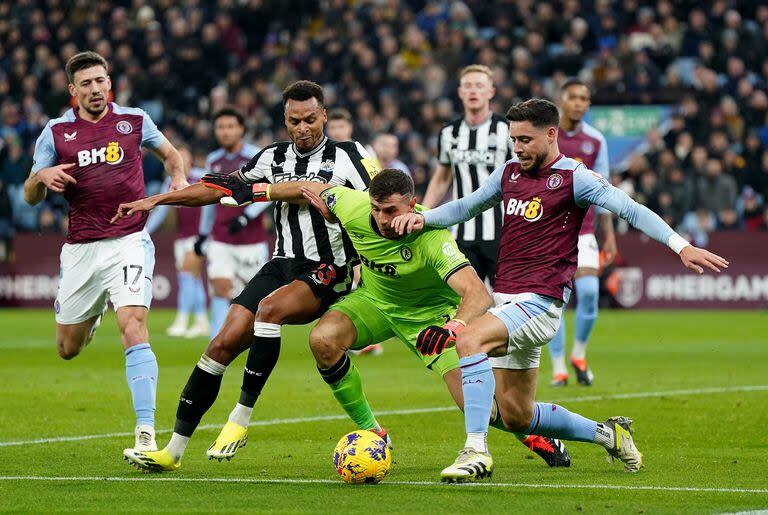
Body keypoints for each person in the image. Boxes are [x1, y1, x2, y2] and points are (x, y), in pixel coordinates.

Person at [393, 98, 728, 482]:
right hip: (506, 301)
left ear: (551, 134)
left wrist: (680, 246)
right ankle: (609, 435)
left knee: (467, 340)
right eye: (513, 140)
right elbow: (465, 207)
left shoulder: (575, 178)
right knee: (517, 414)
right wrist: (421, 219)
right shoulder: (508, 174)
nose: (517, 148)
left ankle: (474, 451)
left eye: (525, 140)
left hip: (541, 302)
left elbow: (630, 209)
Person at [202, 168, 572, 468]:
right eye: (376, 209)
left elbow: (477, 293)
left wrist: (454, 326)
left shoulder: (431, 233)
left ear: (413, 205)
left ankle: (530, 431)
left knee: (490, 411)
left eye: (391, 211)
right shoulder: (351, 204)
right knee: (323, 340)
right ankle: (373, 432)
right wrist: (255, 190)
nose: (381, 219)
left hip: (431, 320)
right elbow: (309, 186)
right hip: (376, 303)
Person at [113, 80, 377, 472]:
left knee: (268, 310)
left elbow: (379, 204)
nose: (303, 128)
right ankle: (173, 451)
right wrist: (157, 200)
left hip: (329, 267)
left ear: (324, 116)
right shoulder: (271, 156)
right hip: (282, 263)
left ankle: (240, 419)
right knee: (222, 341)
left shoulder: (352, 155)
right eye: (294, 120)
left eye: (310, 119)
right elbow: (220, 189)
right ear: (284, 120)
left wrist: (364, 258)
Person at [22, 51, 187, 453]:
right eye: (87, 84)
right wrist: (41, 175)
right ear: (72, 90)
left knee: (133, 324)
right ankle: (91, 316)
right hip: (81, 249)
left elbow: (171, 156)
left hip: (129, 240)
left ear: (109, 82)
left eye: (101, 80)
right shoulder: (57, 132)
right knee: (67, 349)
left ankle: (146, 432)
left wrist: (178, 180)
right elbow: (29, 196)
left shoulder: (134, 120)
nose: (96, 89)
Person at [548, 78, 618, 387]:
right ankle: (558, 367)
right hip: (549, 232)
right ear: (562, 100)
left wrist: (610, 235)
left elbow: (605, 190)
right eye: (573, 97)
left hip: (584, 230)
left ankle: (579, 354)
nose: (579, 103)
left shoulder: (595, 141)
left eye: (584, 98)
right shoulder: (549, 136)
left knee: (589, 294)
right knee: (554, 302)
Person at [422, 64, 513, 286]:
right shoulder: (449, 132)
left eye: (479, 86)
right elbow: (442, 177)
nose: (473, 91)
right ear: (460, 92)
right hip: (462, 231)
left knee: (506, 299)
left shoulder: (508, 129)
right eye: (468, 86)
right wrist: (423, 213)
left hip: (502, 230)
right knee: (463, 301)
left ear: (491, 92)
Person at [197, 107, 270, 338]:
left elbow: (270, 193)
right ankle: (217, 339)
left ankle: (256, 339)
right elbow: (208, 198)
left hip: (252, 239)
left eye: (230, 126)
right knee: (220, 287)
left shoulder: (256, 156)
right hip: (220, 237)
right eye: (220, 127)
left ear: (241, 129)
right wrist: (202, 233)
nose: (225, 132)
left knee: (258, 296)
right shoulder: (213, 160)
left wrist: (247, 215)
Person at [145, 145, 209, 338]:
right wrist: (145, 231)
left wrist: (206, 235)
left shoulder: (202, 177)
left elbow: (212, 207)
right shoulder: (171, 183)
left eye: (185, 159)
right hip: (182, 237)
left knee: (187, 275)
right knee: (193, 280)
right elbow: (160, 211)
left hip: (199, 237)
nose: (181, 164)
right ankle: (201, 321)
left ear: (190, 161)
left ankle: (182, 321)